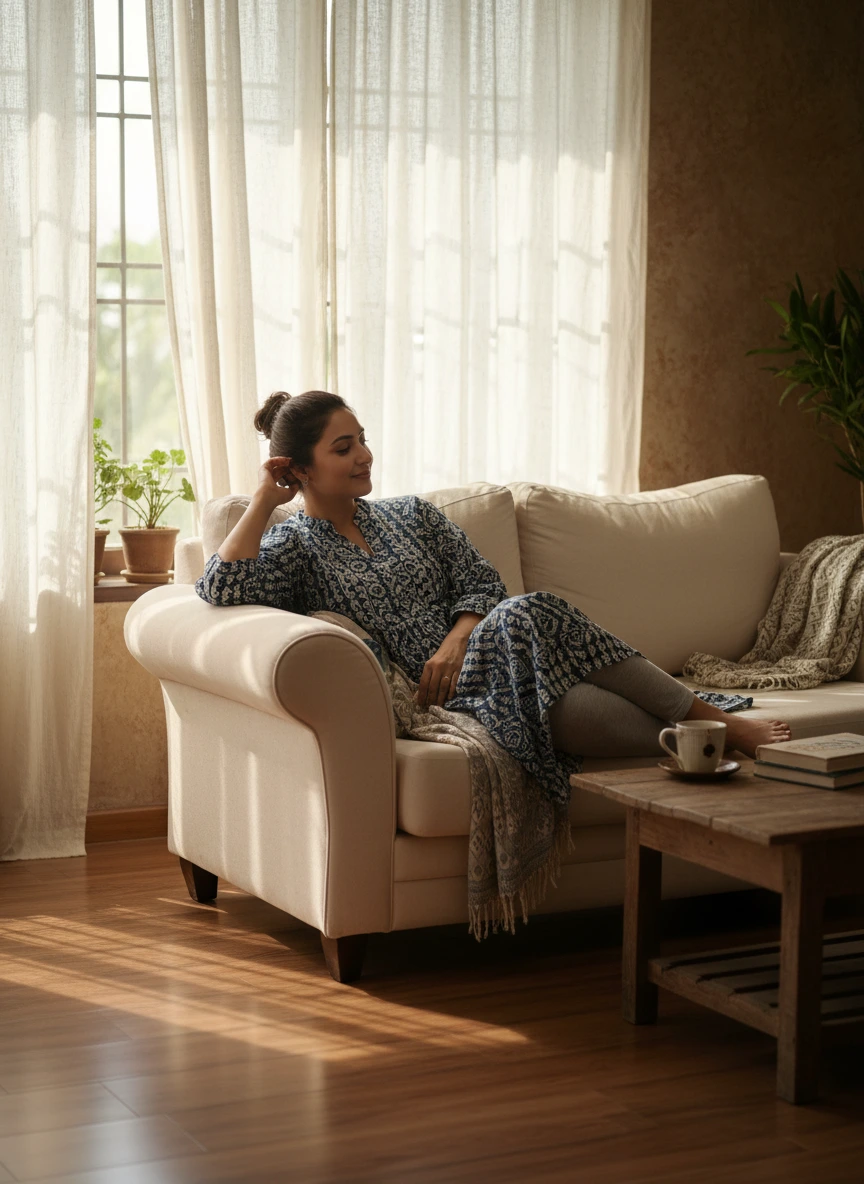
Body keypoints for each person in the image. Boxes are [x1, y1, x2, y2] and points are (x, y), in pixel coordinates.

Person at [195, 390, 792, 806]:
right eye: (343, 447)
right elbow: (218, 591)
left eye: (364, 440)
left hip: (488, 658)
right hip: (446, 699)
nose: (364, 456)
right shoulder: (294, 544)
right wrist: (262, 502)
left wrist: (457, 642)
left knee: (530, 634)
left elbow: (483, 584)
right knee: (545, 660)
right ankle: (712, 728)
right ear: (298, 469)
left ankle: (713, 732)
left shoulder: (411, 515)